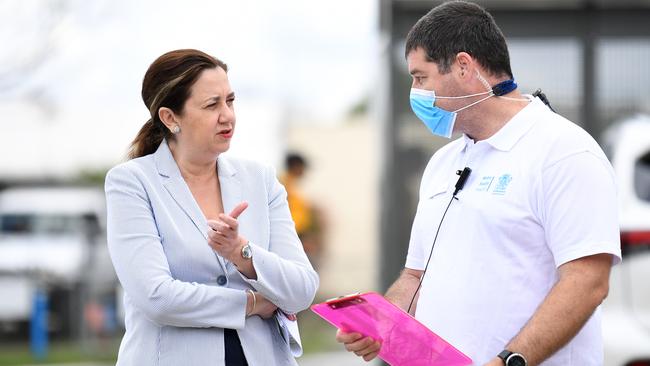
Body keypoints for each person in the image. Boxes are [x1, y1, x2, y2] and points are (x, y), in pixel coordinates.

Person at [336, 2, 620, 365]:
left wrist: (507, 361)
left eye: (420, 77)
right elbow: (416, 276)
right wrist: (380, 324)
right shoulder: (443, 163)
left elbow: (587, 282)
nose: (414, 92)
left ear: (464, 66)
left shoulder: (564, 152)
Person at [104, 49, 319, 366]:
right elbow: (157, 298)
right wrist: (249, 304)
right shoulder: (131, 183)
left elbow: (301, 289)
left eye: (230, 101)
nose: (227, 115)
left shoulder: (261, 179)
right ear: (170, 117)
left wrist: (242, 252)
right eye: (211, 105)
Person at [280, 153, 325, 270]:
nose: (304, 172)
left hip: (300, 236)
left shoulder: (292, 185)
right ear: (296, 166)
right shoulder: (283, 185)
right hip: (294, 236)